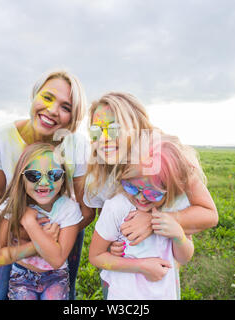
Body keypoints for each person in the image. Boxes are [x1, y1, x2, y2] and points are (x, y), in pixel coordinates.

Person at [83, 92, 218, 296]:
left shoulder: (169, 162)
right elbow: (108, 223)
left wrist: (154, 220)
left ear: (136, 127)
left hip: (160, 281)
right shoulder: (100, 173)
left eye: (114, 129)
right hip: (121, 279)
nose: (103, 139)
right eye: (96, 131)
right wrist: (112, 246)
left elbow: (209, 215)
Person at [0, 69, 94, 300]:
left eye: (66, 107)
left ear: (73, 117)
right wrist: (23, 230)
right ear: (35, 95)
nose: (52, 110)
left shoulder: (77, 145)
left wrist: (57, 236)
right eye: (48, 98)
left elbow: (87, 210)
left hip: (64, 227)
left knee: (61, 292)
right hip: (13, 227)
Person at [88, 133, 202, 299]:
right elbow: (96, 256)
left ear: (171, 189)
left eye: (153, 193)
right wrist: (141, 266)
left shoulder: (174, 207)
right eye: (132, 187)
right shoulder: (117, 206)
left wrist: (179, 236)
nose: (141, 198)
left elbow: (184, 258)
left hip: (164, 293)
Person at [0, 143, 82, 300]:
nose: (44, 183)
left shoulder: (69, 208)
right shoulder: (10, 208)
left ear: (63, 176)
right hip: (21, 277)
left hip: (56, 278)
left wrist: (29, 222)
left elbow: (57, 259)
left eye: (54, 174)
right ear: (21, 177)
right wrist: (38, 244)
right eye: (34, 175)